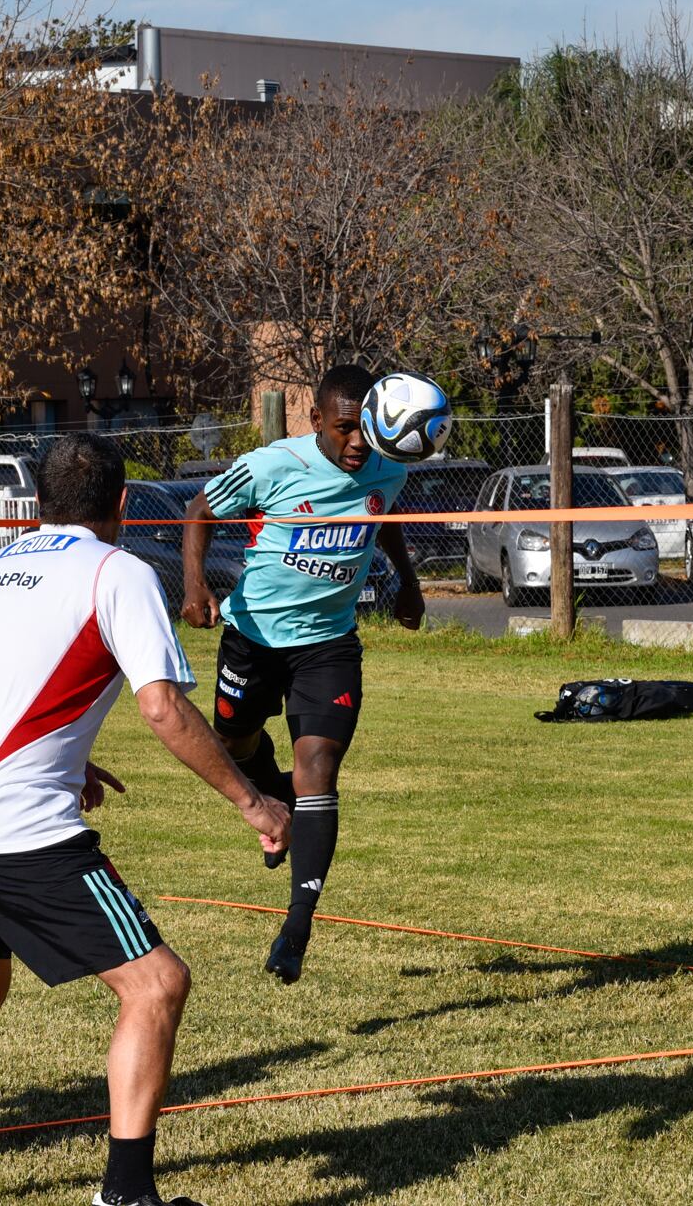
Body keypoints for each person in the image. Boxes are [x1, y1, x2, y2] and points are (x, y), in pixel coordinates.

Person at [0, 434, 291, 1206]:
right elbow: (160, 706)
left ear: (39, 503)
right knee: (157, 984)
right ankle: (125, 1194)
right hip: (14, 828)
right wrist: (255, 801)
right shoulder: (119, 572)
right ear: (121, 505)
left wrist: (66, 759)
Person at [180, 364, 424, 985]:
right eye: (343, 429)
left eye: (364, 430)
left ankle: (297, 926)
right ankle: (275, 801)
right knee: (233, 741)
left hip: (329, 647)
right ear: (315, 420)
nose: (356, 444)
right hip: (253, 636)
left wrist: (407, 584)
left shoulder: (389, 465)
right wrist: (195, 586)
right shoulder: (272, 466)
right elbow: (198, 509)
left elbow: (382, 520)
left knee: (318, 767)